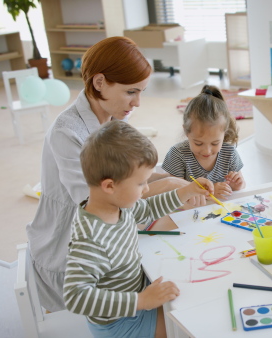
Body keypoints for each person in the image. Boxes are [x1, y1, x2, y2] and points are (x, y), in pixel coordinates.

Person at [26, 36, 187, 312]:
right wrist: (171, 184)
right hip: (75, 246)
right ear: (99, 83)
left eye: (141, 92)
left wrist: (176, 183)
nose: (137, 102)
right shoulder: (67, 132)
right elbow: (96, 201)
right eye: (130, 92)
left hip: (111, 229)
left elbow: (132, 172)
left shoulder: (114, 116)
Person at [64, 120, 214, 337]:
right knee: (189, 326)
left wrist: (187, 191)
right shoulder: (91, 238)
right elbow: (75, 296)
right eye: (140, 183)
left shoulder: (117, 205)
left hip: (138, 295)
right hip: (121, 324)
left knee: (194, 300)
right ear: (109, 185)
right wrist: (141, 300)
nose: (146, 189)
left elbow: (149, 207)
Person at [158, 85, 246, 200]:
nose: (207, 151)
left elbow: (241, 187)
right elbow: (175, 194)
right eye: (198, 143)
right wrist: (209, 193)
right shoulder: (178, 154)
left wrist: (237, 185)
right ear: (186, 131)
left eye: (215, 143)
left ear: (224, 133)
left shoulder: (229, 153)